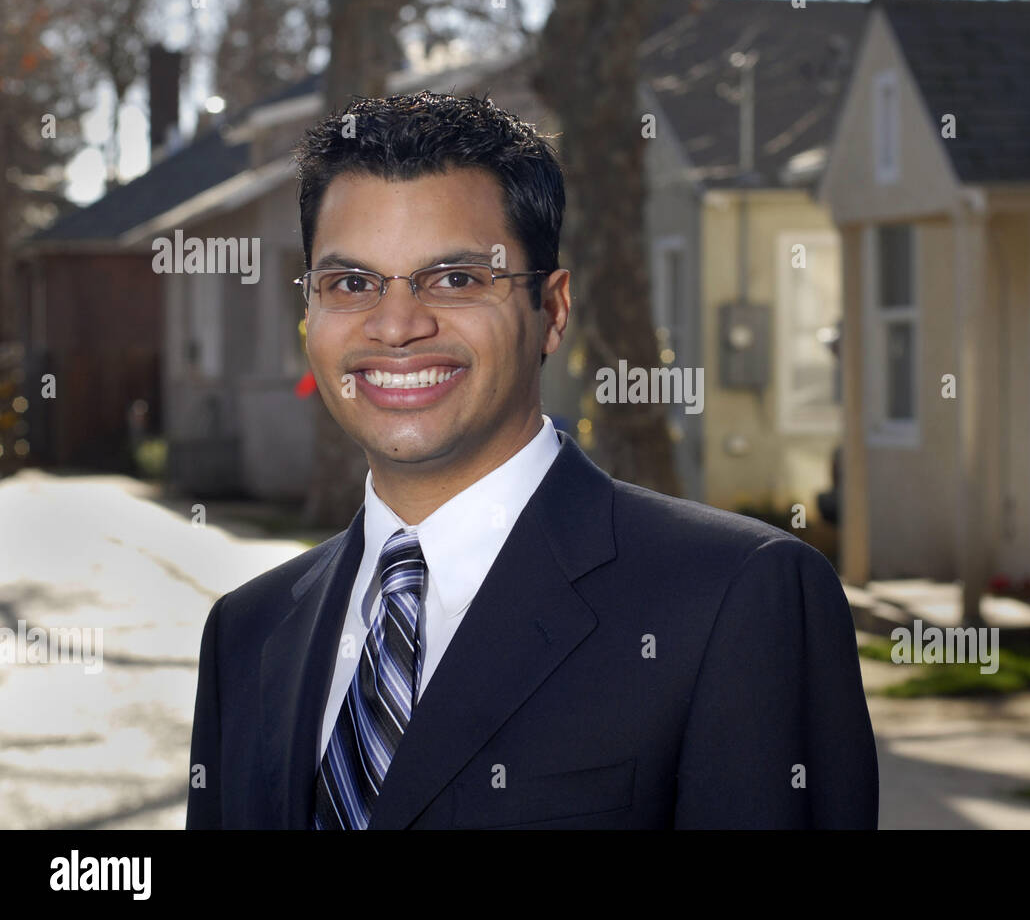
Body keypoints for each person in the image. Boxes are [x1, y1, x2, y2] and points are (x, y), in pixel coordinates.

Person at [185, 91, 878, 829]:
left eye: (455, 279)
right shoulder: (247, 634)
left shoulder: (735, 600)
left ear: (551, 310)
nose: (395, 326)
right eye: (351, 284)